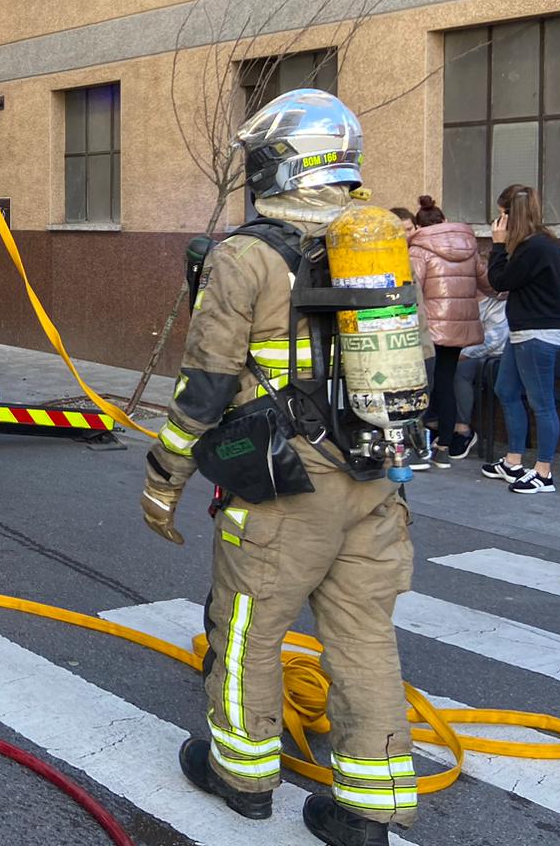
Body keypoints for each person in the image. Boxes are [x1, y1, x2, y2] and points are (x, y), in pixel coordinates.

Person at [142, 90, 417, 846]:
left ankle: (242, 776)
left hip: (284, 487)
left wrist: (164, 475)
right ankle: (369, 810)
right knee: (364, 640)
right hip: (374, 479)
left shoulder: (248, 256)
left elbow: (204, 384)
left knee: (245, 635)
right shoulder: (379, 242)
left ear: (275, 162)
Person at [481, 184, 560, 494]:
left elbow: (500, 281)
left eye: (501, 214)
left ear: (510, 215)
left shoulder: (535, 247)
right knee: (506, 389)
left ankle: (543, 473)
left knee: (541, 403)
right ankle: (513, 461)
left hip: (536, 333)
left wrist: (497, 246)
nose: (498, 221)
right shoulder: (540, 244)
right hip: (524, 331)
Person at [408, 195, 494, 468]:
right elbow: (489, 283)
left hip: (429, 327)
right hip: (458, 327)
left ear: (419, 226)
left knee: (420, 385)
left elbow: (413, 289)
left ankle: (418, 447)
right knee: (445, 382)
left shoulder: (418, 250)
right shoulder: (468, 247)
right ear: (444, 221)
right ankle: (444, 447)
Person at [451, 295, 509, 458]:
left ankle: (463, 430)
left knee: (459, 370)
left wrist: (462, 354)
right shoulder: (463, 299)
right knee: (435, 364)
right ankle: (436, 425)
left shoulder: (498, 302)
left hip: (496, 357)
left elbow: (494, 339)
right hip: (465, 352)